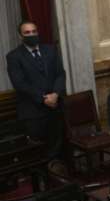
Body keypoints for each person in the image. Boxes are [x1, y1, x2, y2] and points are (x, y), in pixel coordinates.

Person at [5, 20, 65, 157]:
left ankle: (59, 175)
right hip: (33, 112)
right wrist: (43, 99)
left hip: (55, 108)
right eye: (27, 32)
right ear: (21, 36)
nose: (31, 34)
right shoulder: (14, 56)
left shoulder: (50, 50)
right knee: (38, 152)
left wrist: (55, 94)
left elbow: (60, 74)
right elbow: (20, 83)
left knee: (58, 146)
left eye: (34, 31)